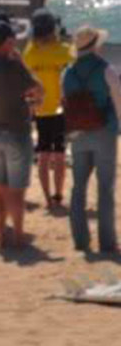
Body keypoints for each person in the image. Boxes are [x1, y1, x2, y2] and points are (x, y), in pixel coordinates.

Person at [0, 20, 43, 249]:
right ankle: (19, 236)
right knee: (16, 192)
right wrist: (21, 62)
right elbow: (37, 88)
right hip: (16, 131)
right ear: (6, 42)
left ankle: (2, 235)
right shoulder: (14, 66)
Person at [62, 26, 121, 255]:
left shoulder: (67, 72)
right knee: (105, 188)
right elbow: (118, 101)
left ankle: (80, 240)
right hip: (103, 131)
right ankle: (107, 243)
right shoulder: (106, 69)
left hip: (77, 133)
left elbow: (64, 100)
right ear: (96, 44)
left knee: (78, 187)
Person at [23, 7, 73, 209]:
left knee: (43, 154)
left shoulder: (29, 52)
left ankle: (47, 199)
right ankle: (59, 195)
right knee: (60, 153)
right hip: (62, 109)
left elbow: (25, 82)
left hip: (39, 109)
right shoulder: (65, 51)